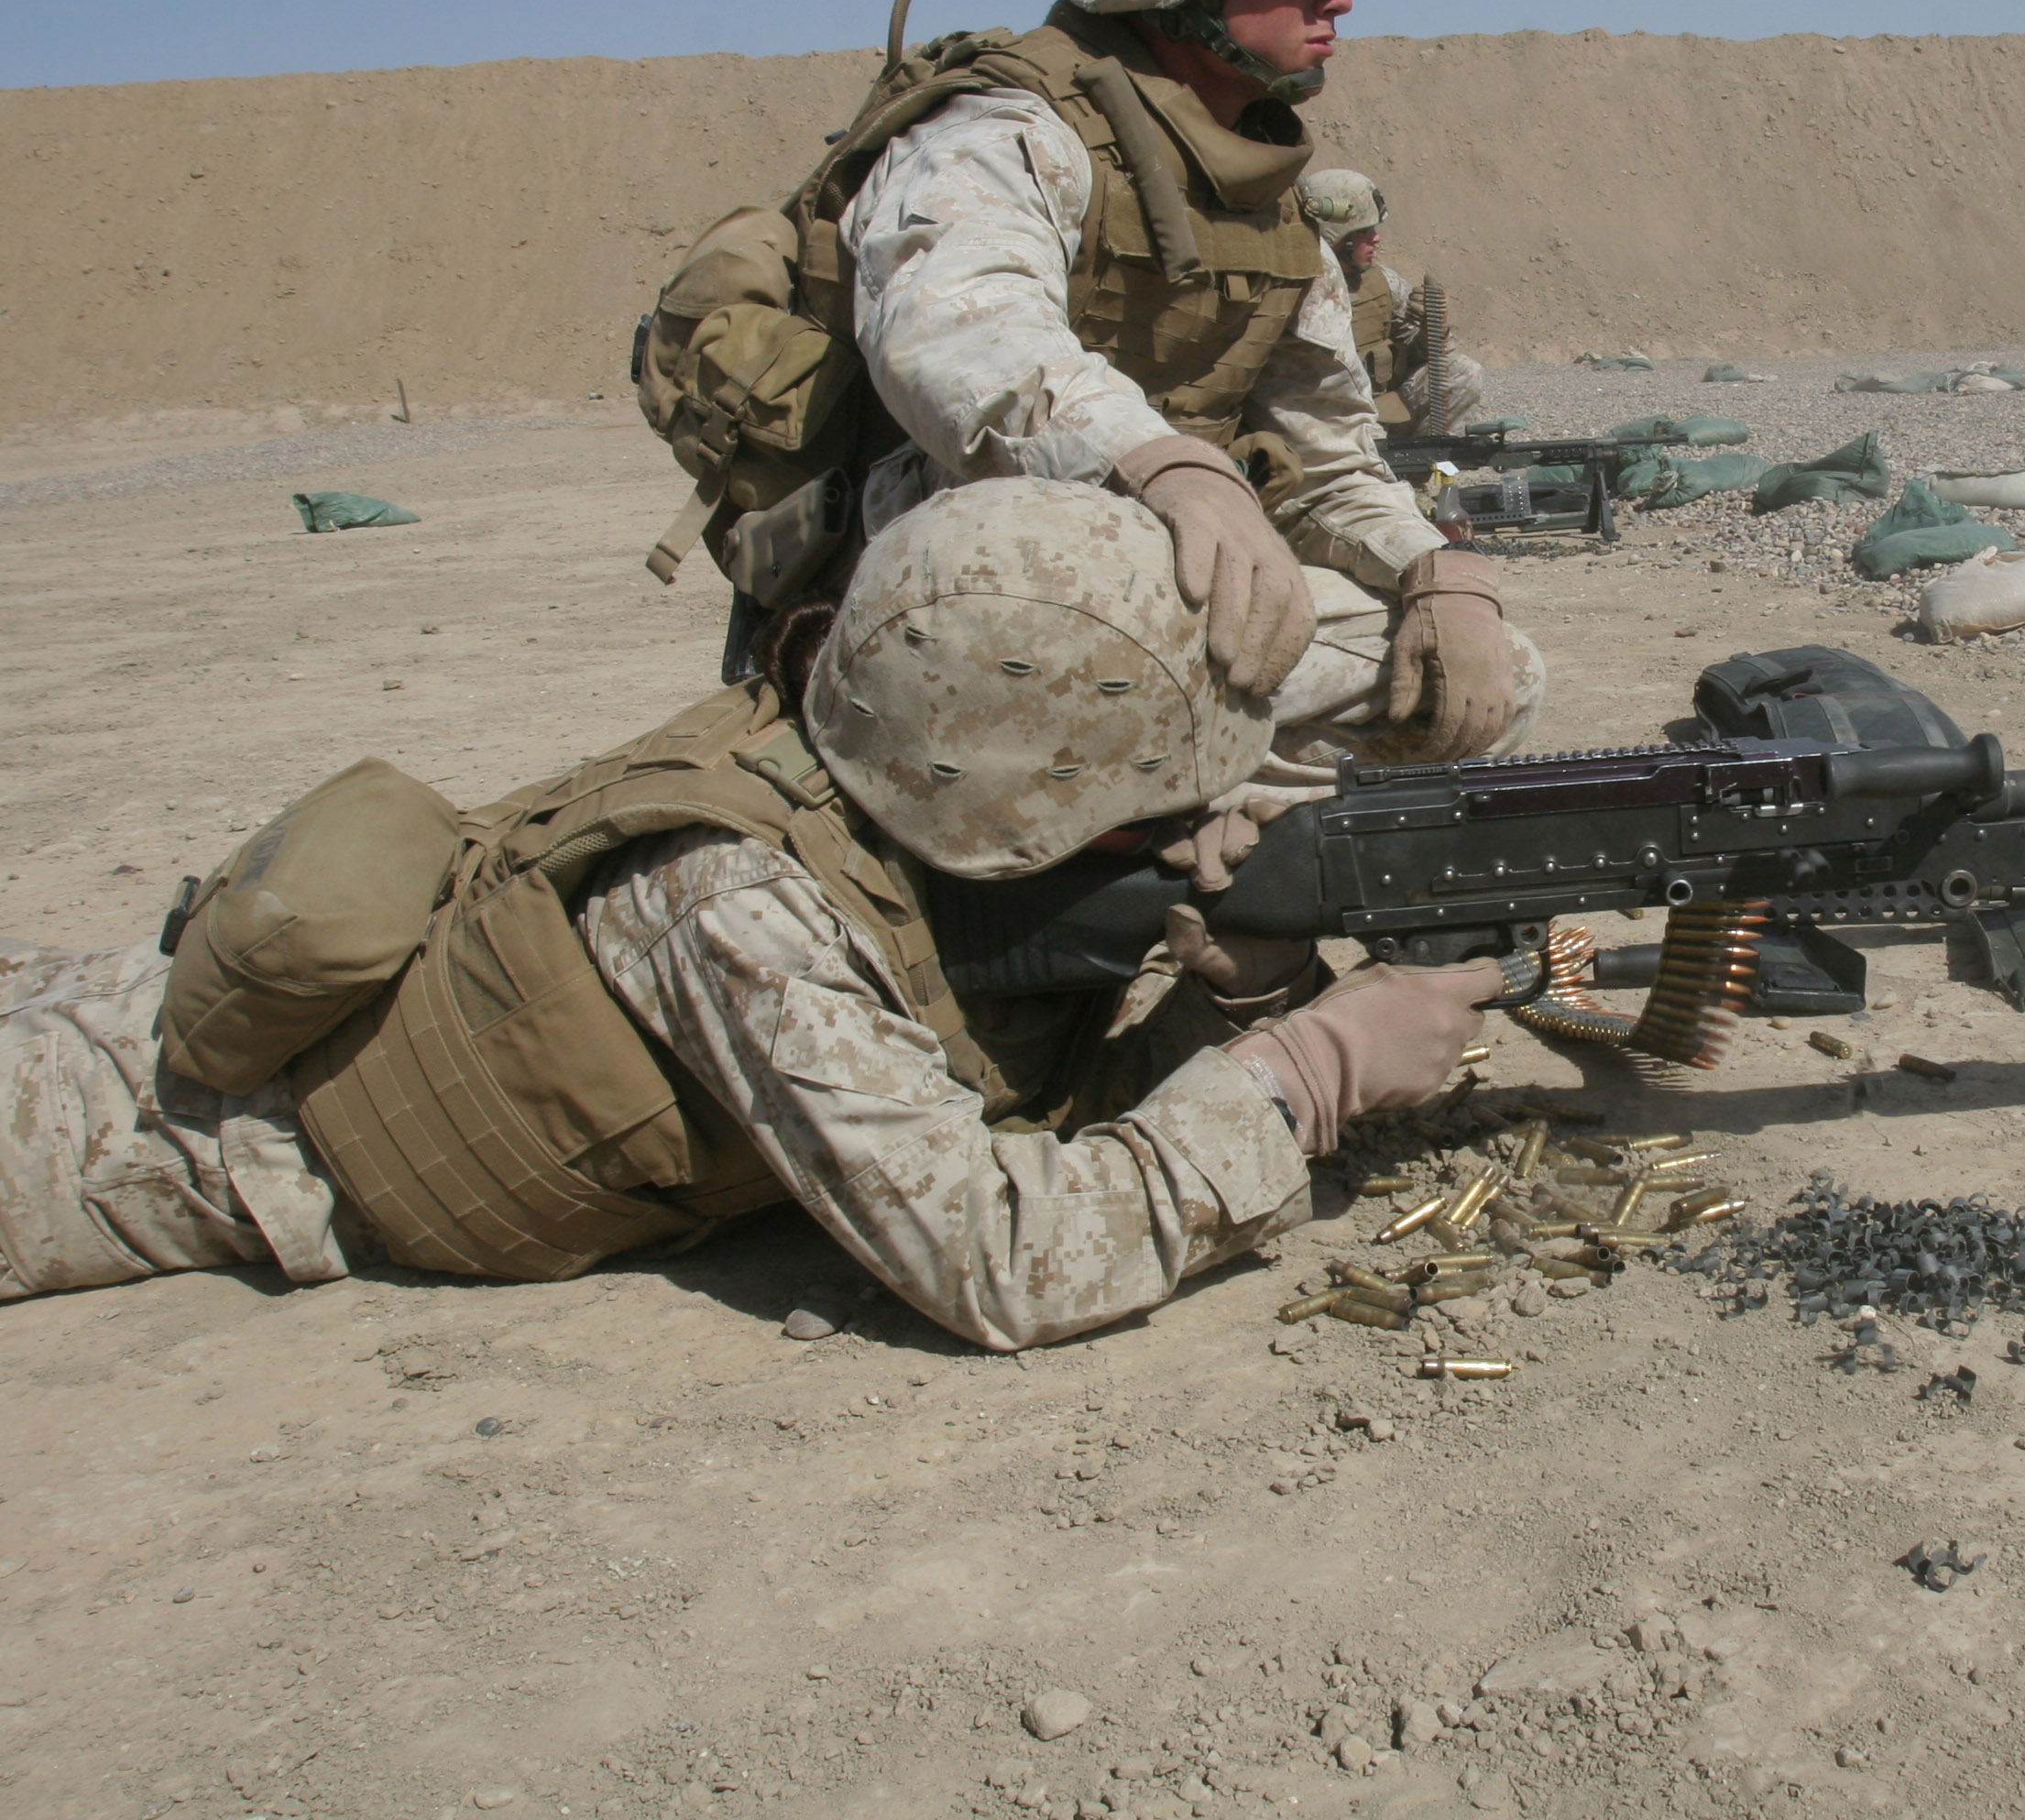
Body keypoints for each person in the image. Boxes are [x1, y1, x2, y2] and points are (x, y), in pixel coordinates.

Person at [0, 480, 1500, 1351]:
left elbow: (1033, 1113)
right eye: (1148, 804)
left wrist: (1234, 991)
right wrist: (1300, 1075)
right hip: (136, 1125)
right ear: (1010, 807)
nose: (1186, 826)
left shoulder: (893, 793)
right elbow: (995, 1254)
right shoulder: (733, 902)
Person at [831, 0, 1537, 789]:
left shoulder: (1266, 199)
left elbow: (1328, 462)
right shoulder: (1006, 136)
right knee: (1172, 673)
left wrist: (1433, 567)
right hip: (970, 600)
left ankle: (1211, 839)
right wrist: (1167, 467)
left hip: (1144, 583)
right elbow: (960, 341)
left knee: (1481, 674)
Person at [1295, 168, 1485, 438]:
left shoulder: (1382, 283)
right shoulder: (1296, 292)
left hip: (1380, 405)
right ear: (1333, 236)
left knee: (1463, 372)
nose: (1376, 238)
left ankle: (1436, 461)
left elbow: (1428, 354)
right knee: (1366, 435)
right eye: (1364, 231)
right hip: (1324, 416)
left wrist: (1432, 328)